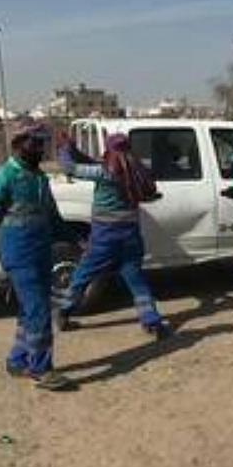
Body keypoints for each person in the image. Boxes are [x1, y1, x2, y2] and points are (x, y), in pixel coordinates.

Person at [0, 121, 73, 390]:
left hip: (41, 250)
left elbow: (53, 217)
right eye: (34, 143)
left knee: (30, 309)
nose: (40, 148)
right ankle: (41, 368)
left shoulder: (39, 178)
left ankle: (17, 359)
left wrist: (77, 239)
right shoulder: (3, 176)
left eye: (42, 143)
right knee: (39, 309)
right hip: (18, 253)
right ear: (18, 145)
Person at [55, 131, 172, 339]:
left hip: (104, 238)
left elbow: (69, 168)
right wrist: (76, 151)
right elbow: (93, 162)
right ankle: (151, 321)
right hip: (130, 237)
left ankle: (63, 312)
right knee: (136, 280)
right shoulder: (138, 171)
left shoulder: (104, 172)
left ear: (109, 150)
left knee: (82, 276)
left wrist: (65, 148)